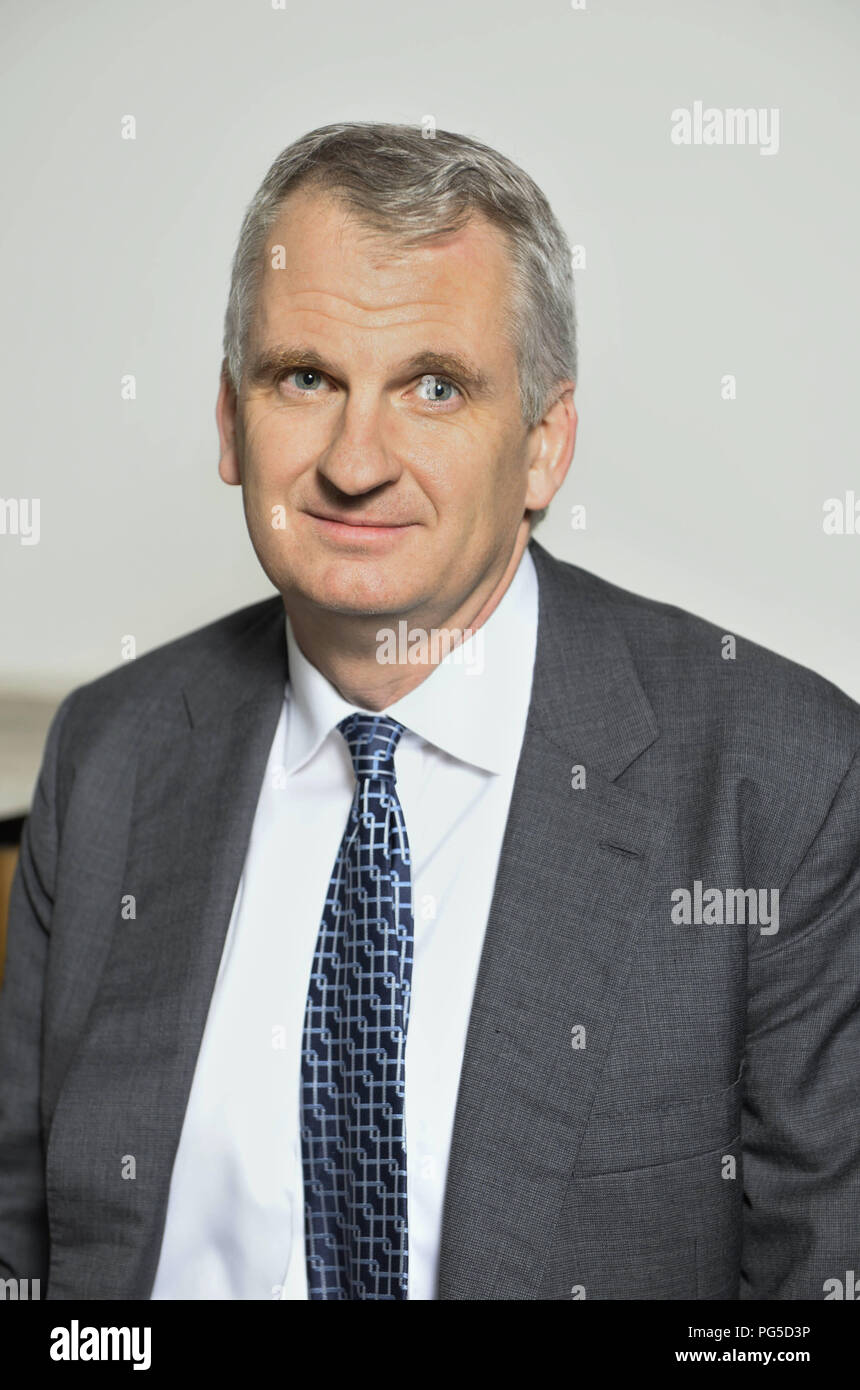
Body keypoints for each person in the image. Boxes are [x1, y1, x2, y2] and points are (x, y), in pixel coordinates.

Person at [0, 122, 857, 1301]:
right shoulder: (110, 756)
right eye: (306, 378)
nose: (356, 462)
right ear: (229, 422)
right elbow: (27, 1249)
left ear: (543, 446)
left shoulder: (780, 782)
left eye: (434, 387)